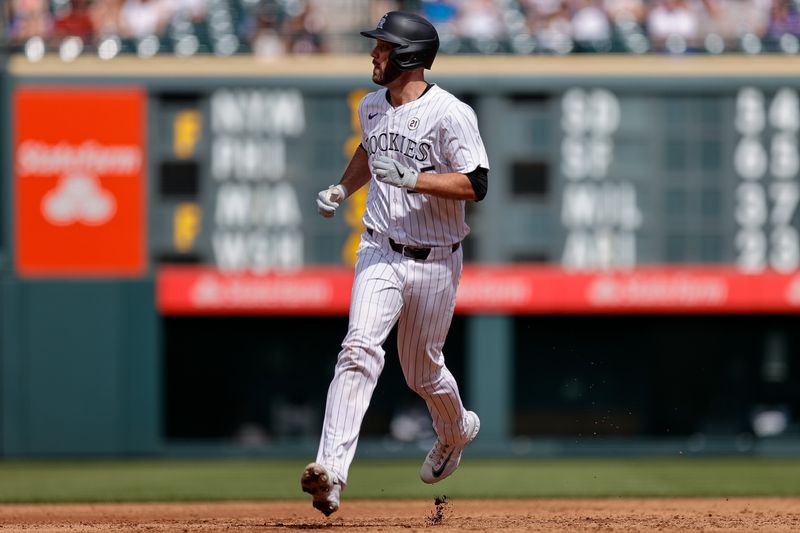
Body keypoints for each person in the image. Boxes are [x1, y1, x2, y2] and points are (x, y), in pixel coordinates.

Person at [301, 10, 489, 517]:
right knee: (358, 347)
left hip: (436, 259)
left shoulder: (451, 113)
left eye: (382, 46)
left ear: (407, 55)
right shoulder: (370, 105)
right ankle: (331, 474)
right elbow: (369, 148)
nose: (374, 52)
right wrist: (343, 187)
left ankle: (455, 430)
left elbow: (477, 183)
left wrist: (414, 179)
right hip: (380, 249)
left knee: (422, 374)